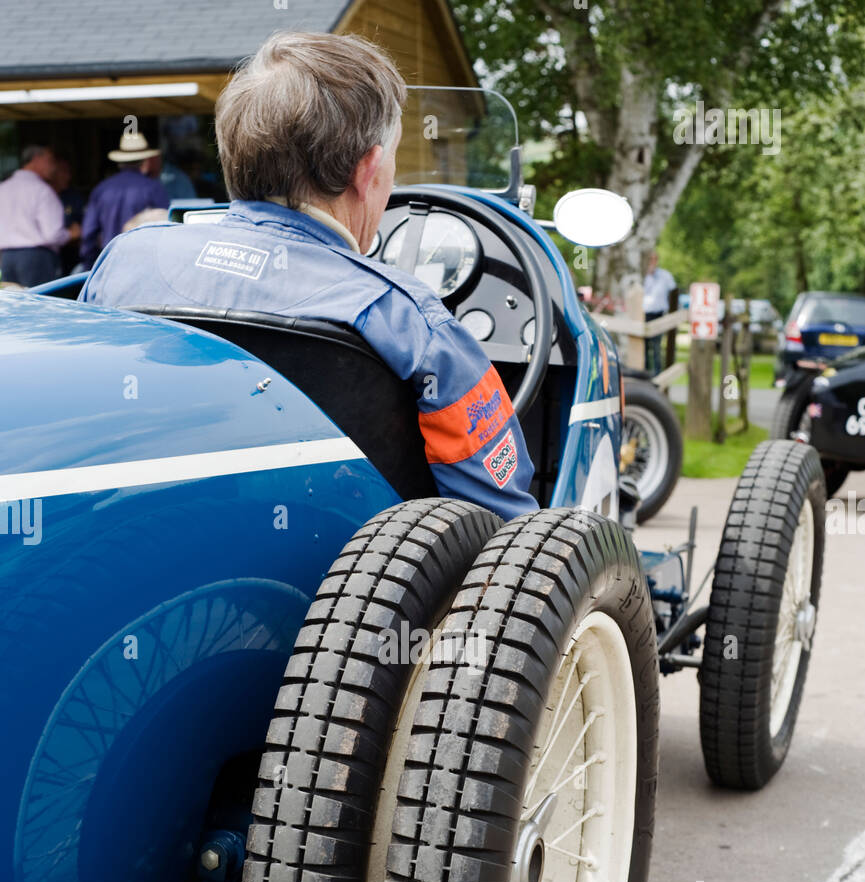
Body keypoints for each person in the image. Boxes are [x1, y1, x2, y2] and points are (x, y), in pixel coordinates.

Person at [80, 32, 537, 521]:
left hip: (144, 545)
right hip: (355, 586)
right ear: (369, 171)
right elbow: (502, 524)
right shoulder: (409, 321)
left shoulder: (125, 263)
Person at [79, 130, 170, 270]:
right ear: (145, 162)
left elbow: (88, 233)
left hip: (108, 263)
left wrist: (90, 265)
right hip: (143, 263)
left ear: (120, 162)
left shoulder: (101, 189)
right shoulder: (153, 188)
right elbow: (167, 226)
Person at [0, 146, 80, 286]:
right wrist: (72, 234)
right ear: (36, 160)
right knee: (39, 305)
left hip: (6, 257)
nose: (53, 167)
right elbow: (52, 235)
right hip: (36, 258)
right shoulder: (42, 190)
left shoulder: (3, 188)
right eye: (50, 160)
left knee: (13, 305)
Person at [643, 250, 676, 376]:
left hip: (658, 314)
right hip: (644, 315)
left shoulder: (665, 276)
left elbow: (673, 292)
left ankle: (657, 375)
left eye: (654, 259)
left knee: (656, 347)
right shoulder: (642, 276)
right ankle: (646, 374)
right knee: (645, 348)